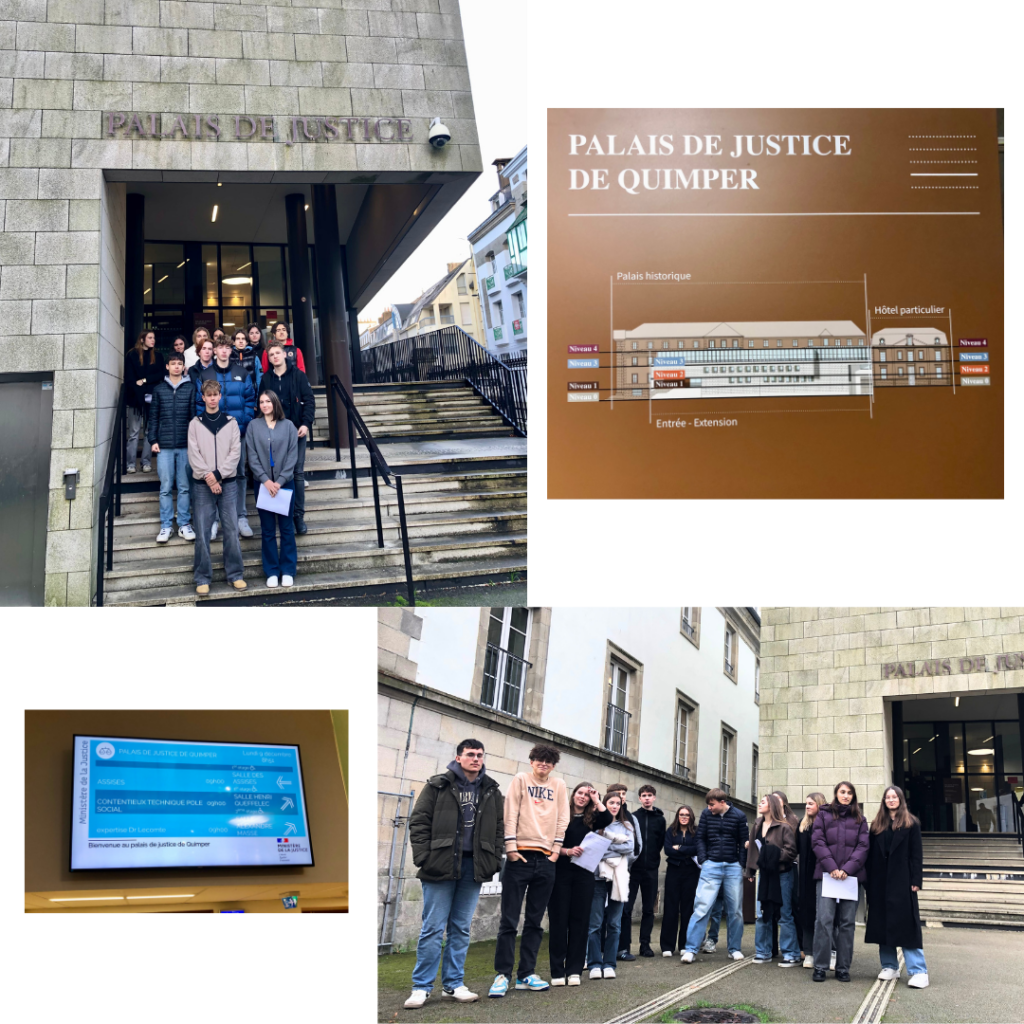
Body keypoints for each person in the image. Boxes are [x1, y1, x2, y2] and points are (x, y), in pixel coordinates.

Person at [404, 739, 503, 1009]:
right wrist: (424, 857)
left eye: (480, 755)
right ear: (458, 757)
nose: (476, 759)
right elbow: (419, 822)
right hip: (440, 864)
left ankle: (453, 984)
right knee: (433, 929)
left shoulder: (491, 789)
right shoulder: (438, 785)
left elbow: (498, 828)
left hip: (473, 867)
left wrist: (494, 860)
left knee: (460, 928)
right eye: (470, 754)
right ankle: (421, 987)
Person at [489, 744, 569, 998]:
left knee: (535, 922)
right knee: (509, 921)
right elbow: (510, 811)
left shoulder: (559, 785)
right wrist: (510, 847)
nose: (543, 764)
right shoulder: (521, 779)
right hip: (519, 857)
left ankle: (526, 974)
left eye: (548, 761)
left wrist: (556, 850)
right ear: (532, 761)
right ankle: (502, 974)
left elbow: (563, 818)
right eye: (539, 760)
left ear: (553, 764)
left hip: (546, 859)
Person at [187, 380, 247, 596]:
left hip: (228, 483)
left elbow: (235, 453)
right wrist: (209, 478)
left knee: (231, 530)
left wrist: (219, 475)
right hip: (202, 485)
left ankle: (235, 574)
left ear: (220, 396)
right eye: (208, 395)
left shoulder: (231, 423)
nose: (212, 398)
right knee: (202, 532)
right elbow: (194, 454)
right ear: (203, 397)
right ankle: (202, 577)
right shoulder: (195, 423)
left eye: (215, 394)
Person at [865, 786, 929, 989]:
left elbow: (917, 854)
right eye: (888, 797)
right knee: (882, 924)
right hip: (879, 883)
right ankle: (889, 966)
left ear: (901, 800)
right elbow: (870, 856)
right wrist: (868, 882)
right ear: (884, 801)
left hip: (903, 881)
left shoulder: (911, 823)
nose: (891, 800)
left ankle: (919, 971)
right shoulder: (877, 825)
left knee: (906, 925)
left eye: (894, 797)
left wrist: (916, 880)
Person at [548, 783, 611, 987]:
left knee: (580, 922)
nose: (583, 797)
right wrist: (566, 851)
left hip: (584, 875)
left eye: (588, 795)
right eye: (580, 793)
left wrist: (597, 800)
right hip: (561, 873)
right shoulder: (560, 815)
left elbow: (607, 819)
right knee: (559, 922)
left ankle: (574, 970)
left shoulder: (591, 820)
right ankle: (557, 971)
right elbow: (548, 841)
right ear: (573, 794)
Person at [196, 337, 256, 539]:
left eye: (227, 347)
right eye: (220, 347)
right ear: (214, 351)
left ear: (231, 350)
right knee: (214, 475)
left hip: (237, 433)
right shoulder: (205, 374)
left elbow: (250, 400)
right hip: (212, 435)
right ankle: (214, 520)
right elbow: (198, 402)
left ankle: (240, 516)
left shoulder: (241, 373)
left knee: (239, 475)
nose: (223, 351)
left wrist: (244, 422)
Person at [810, 781, 869, 983]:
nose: (846, 795)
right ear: (836, 794)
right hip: (827, 876)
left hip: (850, 878)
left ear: (853, 796)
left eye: (849, 793)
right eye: (842, 792)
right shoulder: (823, 815)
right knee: (824, 921)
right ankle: (820, 966)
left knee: (847, 924)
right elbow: (818, 841)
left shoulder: (860, 819)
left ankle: (843, 967)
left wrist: (846, 869)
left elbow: (863, 847)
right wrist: (832, 867)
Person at [681, 788, 748, 963]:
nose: (709, 808)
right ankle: (691, 949)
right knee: (702, 907)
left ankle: (734, 949)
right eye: (708, 805)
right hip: (711, 865)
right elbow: (700, 838)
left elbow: (744, 841)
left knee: (735, 911)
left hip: (733, 867)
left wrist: (741, 864)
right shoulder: (706, 815)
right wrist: (704, 860)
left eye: (712, 805)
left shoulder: (739, 816)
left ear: (722, 802)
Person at [260, 340, 315, 535]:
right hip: (273, 432)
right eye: (271, 354)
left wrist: (306, 424)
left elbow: (309, 400)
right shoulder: (266, 379)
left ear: (285, 354)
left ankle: (297, 516)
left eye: (277, 353)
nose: (275, 356)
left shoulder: (299, 376)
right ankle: (279, 513)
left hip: (296, 431)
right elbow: (262, 405)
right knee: (276, 473)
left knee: (297, 473)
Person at [246, 391, 298, 588]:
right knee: (267, 530)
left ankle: (288, 570)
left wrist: (280, 480)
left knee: (286, 529)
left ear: (275, 402)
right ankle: (271, 571)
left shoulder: (289, 426)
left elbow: (293, 456)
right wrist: (266, 481)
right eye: (261, 402)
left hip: (285, 484)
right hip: (263, 485)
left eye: (268, 401)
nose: (265, 405)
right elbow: (252, 457)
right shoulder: (253, 426)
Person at [587, 790, 638, 981]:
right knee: (595, 923)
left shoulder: (626, 826)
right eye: (611, 802)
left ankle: (609, 964)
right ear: (604, 804)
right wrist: (613, 848)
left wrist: (605, 846)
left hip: (619, 877)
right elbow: (592, 848)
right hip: (597, 877)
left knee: (615, 924)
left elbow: (629, 848)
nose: (615, 806)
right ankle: (594, 963)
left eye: (617, 803)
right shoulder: (595, 823)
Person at [745, 794, 799, 966]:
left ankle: (791, 953)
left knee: (784, 914)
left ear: (773, 805)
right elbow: (752, 850)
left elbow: (791, 852)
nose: (760, 804)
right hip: (764, 875)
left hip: (782, 875)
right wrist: (750, 872)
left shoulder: (784, 827)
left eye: (763, 802)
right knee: (762, 914)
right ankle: (763, 951)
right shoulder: (757, 824)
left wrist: (772, 855)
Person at [147, 351, 195, 542]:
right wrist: (152, 440)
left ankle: (184, 523)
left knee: (184, 486)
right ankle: (166, 526)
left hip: (185, 446)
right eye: (173, 363)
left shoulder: (190, 388)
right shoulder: (159, 389)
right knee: (166, 487)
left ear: (184, 367)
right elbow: (153, 417)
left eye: (179, 363)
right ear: (167, 366)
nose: (176, 366)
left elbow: (193, 417)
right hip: (164, 446)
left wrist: (194, 443)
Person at [619, 784, 666, 959]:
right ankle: (625, 946)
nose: (647, 798)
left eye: (650, 795)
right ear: (639, 798)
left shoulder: (660, 819)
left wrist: (653, 860)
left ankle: (645, 945)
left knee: (648, 910)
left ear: (654, 798)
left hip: (651, 870)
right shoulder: (634, 817)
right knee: (627, 909)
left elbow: (660, 842)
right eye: (644, 795)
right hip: (633, 870)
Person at [660, 805, 700, 956]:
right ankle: (667, 946)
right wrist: (684, 850)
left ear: (691, 817)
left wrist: (680, 848)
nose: (684, 817)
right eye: (681, 814)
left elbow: (696, 849)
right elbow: (668, 850)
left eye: (687, 815)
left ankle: (684, 945)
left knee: (687, 908)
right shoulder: (671, 831)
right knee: (670, 907)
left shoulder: (696, 832)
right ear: (677, 816)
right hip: (674, 871)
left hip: (691, 871)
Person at [124, 329, 164, 473]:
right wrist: (140, 389)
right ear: (142, 339)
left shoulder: (157, 356)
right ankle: (130, 464)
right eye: (150, 338)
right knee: (134, 433)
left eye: (153, 338)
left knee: (149, 432)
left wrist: (145, 381)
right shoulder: (132, 355)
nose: (153, 340)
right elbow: (130, 379)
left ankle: (146, 462)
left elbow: (161, 374)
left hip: (151, 399)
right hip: (135, 399)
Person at [797, 793, 830, 968]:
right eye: (806, 804)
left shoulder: (827, 825)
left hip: (824, 875)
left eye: (811, 803)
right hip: (805, 877)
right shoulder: (802, 826)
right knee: (807, 914)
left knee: (824, 915)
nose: (807, 806)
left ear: (819, 804)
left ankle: (828, 951)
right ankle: (808, 952)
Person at [233, 325, 264, 395]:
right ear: (234, 342)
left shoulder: (254, 357)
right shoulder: (229, 356)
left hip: (251, 395)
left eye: (243, 339)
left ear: (247, 342)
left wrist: (257, 400)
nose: (241, 341)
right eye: (238, 339)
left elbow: (259, 378)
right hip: (233, 396)